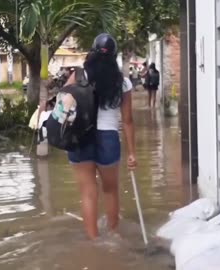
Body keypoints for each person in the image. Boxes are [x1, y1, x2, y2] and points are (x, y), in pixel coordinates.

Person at [65, 33, 137, 240]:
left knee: (88, 193)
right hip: (108, 139)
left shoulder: (79, 76)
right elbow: (128, 120)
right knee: (110, 191)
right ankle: (113, 236)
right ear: (114, 55)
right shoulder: (122, 83)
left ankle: (93, 241)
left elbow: (64, 106)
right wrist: (132, 153)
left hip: (81, 138)